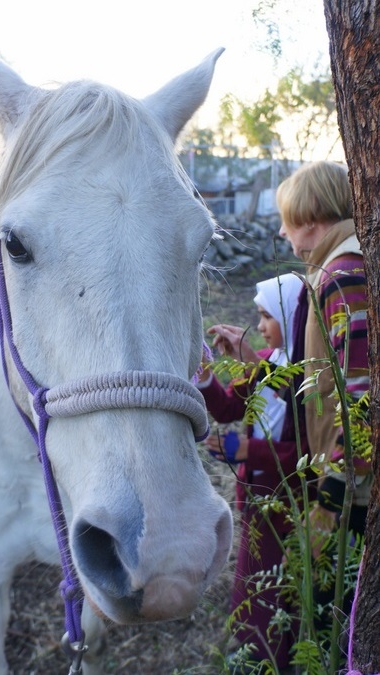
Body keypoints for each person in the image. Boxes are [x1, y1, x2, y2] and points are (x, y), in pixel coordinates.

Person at [276, 161, 371, 636]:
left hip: (354, 494)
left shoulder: (343, 276)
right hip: (348, 481)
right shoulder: (341, 271)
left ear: (311, 219)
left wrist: (334, 498)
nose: (282, 232)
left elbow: (362, 397)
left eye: (288, 221)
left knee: (336, 622)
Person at [197, 273, 308, 672]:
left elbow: (307, 452)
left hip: (292, 509)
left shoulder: (308, 381)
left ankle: (268, 661)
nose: (259, 327)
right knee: (254, 592)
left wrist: (246, 450)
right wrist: (207, 374)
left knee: (280, 597)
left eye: (266, 317)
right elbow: (229, 408)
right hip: (258, 503)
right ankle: (257, 657)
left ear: (292, 317)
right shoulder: (265, 363)